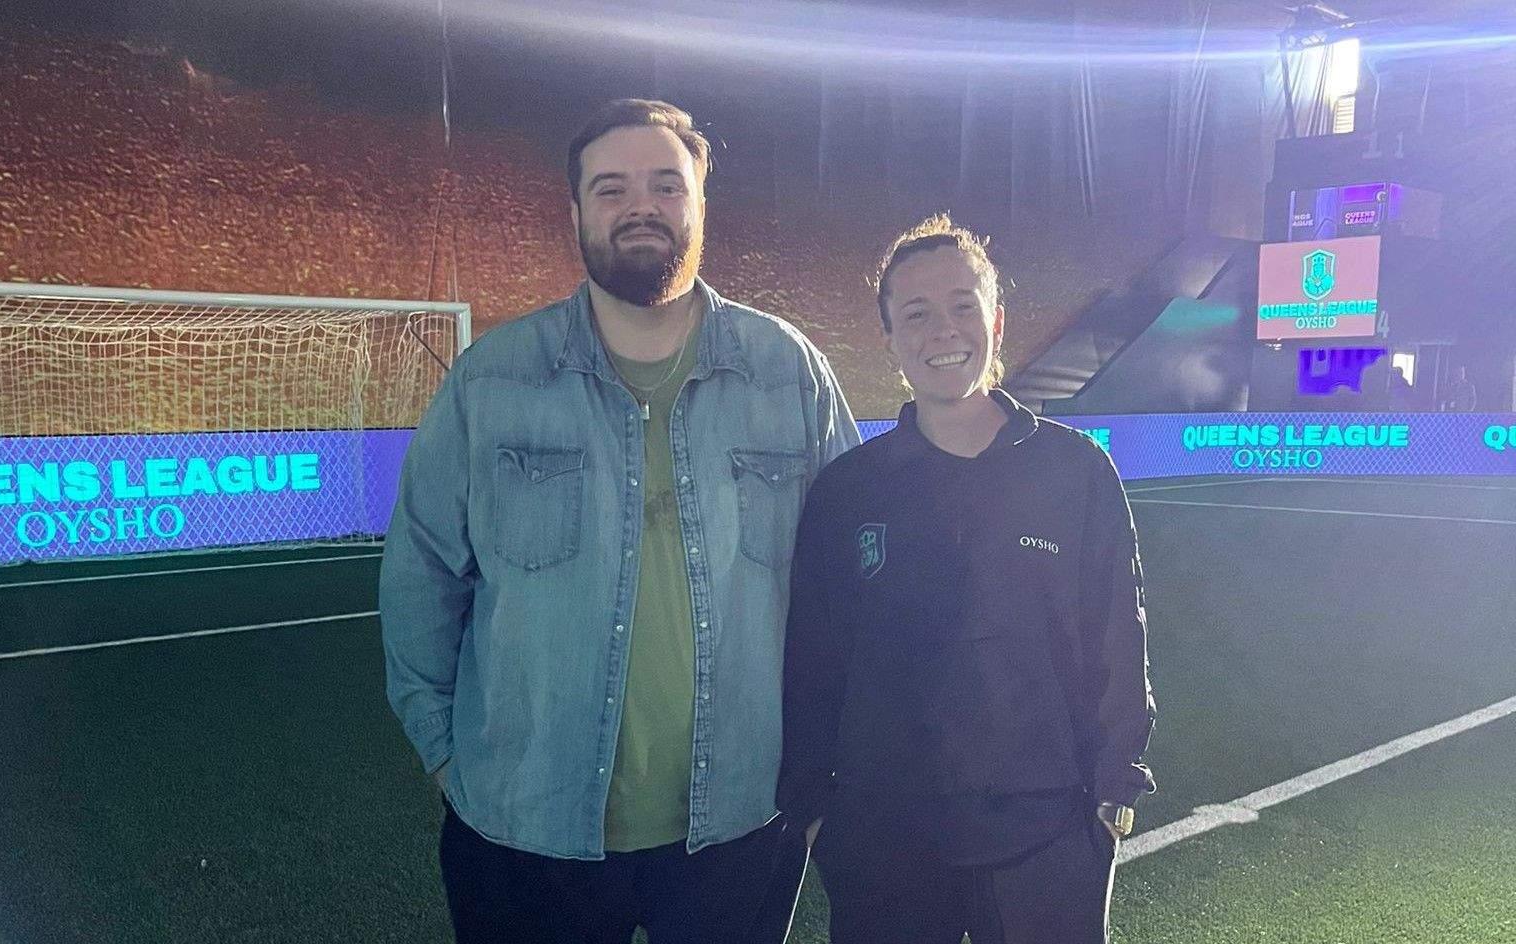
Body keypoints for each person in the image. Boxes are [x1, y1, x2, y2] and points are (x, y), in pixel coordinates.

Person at [381, 98, 860, 943]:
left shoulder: (790, 373)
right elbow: (420, 572)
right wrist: (447, 756)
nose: (640, 206)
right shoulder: (493, 380)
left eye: (665, 185)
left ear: (701, 203)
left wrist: (816, 781)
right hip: (523, 826)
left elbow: (850, 583)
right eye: (610, 188)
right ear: (575, 213)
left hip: (742, 825)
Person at [777, 214, 1156, 944]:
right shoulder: (848, 491)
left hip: (1048, 829)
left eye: (962, 306)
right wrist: (815, 808)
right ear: (888, 338)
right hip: (884, 836)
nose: (942, 331)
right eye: (915, 314)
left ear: (997, 321)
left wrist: (1115, 786)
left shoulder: (1076, 472)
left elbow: (1118, 629)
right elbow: (813, 655)